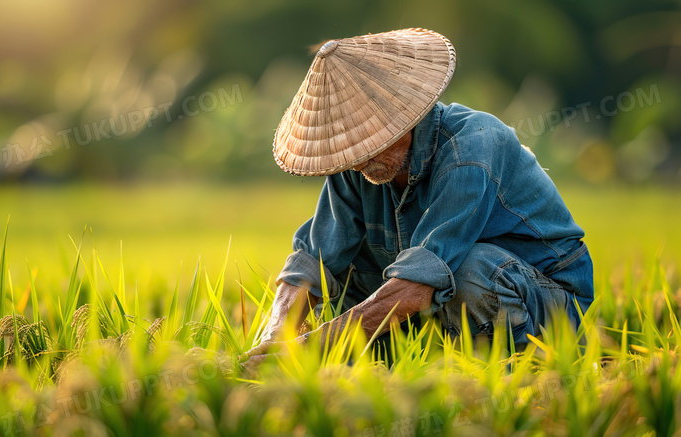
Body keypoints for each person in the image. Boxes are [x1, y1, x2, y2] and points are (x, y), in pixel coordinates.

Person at [243, 28, 593, 365]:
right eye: (352, 151)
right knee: (340, 271)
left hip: (546, 301)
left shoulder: (470, 148)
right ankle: (386, 368)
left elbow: (419, 283)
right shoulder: (355, 166)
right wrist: (274, 339)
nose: (362, 160)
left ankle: (514, 373)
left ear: (407, 116)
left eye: (374, 142)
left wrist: (310, 346)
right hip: (447, 306)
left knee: (470, 270)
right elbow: (312, 261)